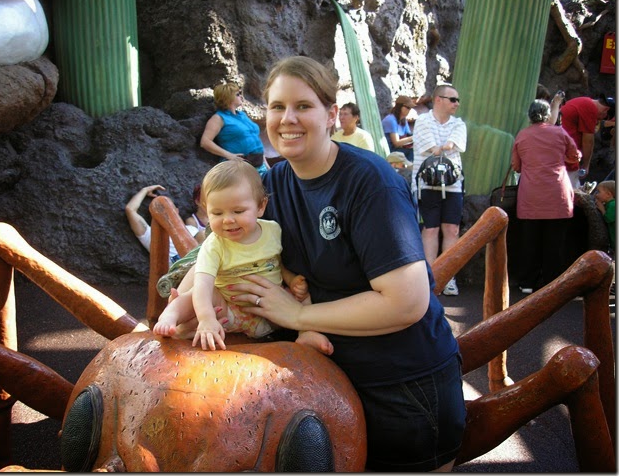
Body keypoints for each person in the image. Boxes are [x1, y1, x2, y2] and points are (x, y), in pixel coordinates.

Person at [176, 56, 466, 471]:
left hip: (401, 389)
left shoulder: (369, 182)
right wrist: (182, 300)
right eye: (277, 107)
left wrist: (297, 312)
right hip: (321, 383)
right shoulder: (272, 185)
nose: (287, 118)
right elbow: (216, 249)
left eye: (303, 106)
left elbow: (407, 302)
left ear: (331, 114)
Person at [153, 160, 333, 354]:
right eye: (217, 213)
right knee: (198, 294)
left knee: (303, 295)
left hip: (274, 312)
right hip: (230, 310)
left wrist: (291, 280)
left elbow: (277, 264)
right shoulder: (215, 245)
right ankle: (170, 316)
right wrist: (207, 318)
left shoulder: (273, 231)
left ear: (261, 206)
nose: (228, 219)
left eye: (238, 211)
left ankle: (306, 332)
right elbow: (203, 283)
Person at [511, 99, 579, 295]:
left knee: (529, 242)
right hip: (557, 194)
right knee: (555, 243)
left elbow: (516, 166)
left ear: (530, 115)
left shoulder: (522, 136)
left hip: (530, 195)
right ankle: (552, 284)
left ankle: (527, 283)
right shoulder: (559, 133)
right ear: (548, 114)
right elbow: (575, 156)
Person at [412, 84, 466, 296]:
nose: (456, 104)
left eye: (457, 100)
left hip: (453, 184)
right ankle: (431, 277)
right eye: (452, 99)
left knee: (452, 229)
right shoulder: (422, 121)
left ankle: (449, 276)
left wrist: (443, 147)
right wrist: (444, 147)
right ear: (438, 100)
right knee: (431, 229)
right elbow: (434, 148)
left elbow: (453, 145)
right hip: (426, 184)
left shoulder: (459, 124)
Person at [126, 184, 208, 265]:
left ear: (176, 211)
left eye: (168, 209)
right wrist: (144, 190)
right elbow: (130, 209)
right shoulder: (150, 236)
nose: (165, 214)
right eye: (160, 210)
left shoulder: (192, 229)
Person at [200, 82, 270, 175]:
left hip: (260, 164)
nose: (241, 96)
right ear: (228, 98)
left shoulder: (242, 115)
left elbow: (255, 141)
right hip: (239, 167)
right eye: (237, 94)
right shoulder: (218, 118)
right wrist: (229, 155)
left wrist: (267, 166)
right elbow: (205, 142)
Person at [559, 95, 611, 188]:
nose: (598, 120)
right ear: (606, 110)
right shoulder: (589, 108)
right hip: (566, 152)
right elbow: (588, 141)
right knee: (572, 186)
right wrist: (586, 165)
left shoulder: (584, 102)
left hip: (563, 148)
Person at [381, 95, 415, 161]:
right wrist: (413, 138)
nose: (409, 110)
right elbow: (396, 143)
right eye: (407, 107)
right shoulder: (391, 120)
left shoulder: (403, 120)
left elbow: (408, 134)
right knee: (412, 153)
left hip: (399, 149)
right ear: (400, 107)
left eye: (410, 108)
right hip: (390, 151)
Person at [594, 180, 616, 254]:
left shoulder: (613, 204)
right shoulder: (609, 204)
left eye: (599, 192)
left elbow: (608, 219)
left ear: (608, 194)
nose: (596, 195)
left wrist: (602, 208)